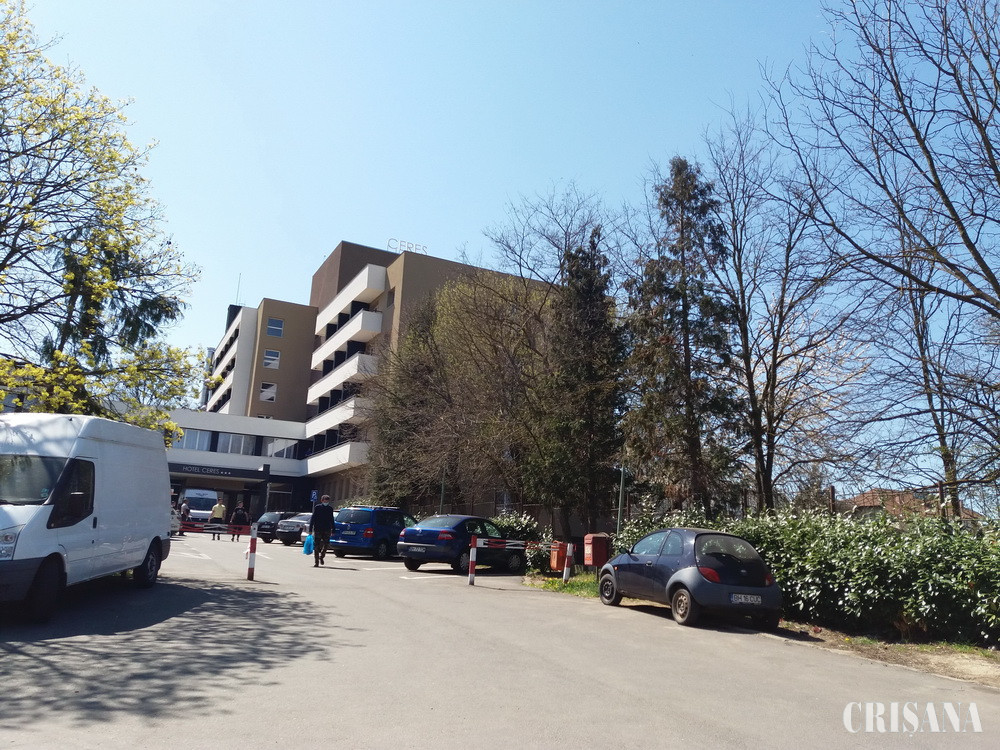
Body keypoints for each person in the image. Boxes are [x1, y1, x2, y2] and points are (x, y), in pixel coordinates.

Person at [309, 494, 335, 567]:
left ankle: (322, 556)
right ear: (322, 500)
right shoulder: (318, 507)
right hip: (318, 529)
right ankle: (316, 562)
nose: (326, 503)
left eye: (327, 501)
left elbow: (332, 519)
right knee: (316, 546)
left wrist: (333, 529)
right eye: (325, 501)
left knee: (326, 544)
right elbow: (313, 518)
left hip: (327, 529)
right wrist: (310, 529)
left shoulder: (330, 508)